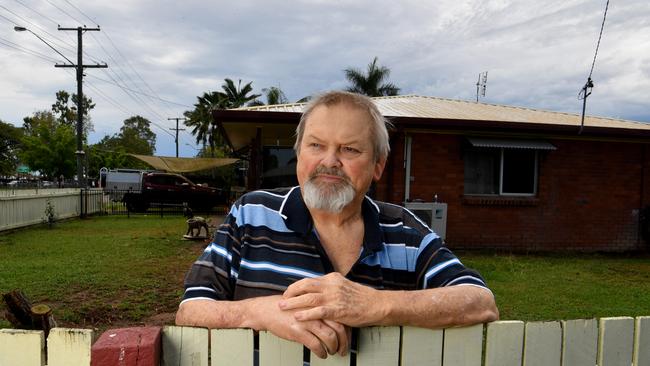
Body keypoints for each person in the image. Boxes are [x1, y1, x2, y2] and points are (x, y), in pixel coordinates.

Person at [176, 91, 498, 359]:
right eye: (316, 145)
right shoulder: (252, 214)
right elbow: (191, 310)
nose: (330, 161)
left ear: (377, 167)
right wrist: (260, 312)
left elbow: (479, 302)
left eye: (350, 149)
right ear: (299, 154)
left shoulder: (407, 233)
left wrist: (376, 304)